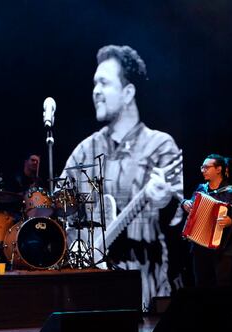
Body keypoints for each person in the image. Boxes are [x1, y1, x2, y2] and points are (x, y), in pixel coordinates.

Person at [60, 45, 184, 311]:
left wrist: (165, 200)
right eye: (94, 84)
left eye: (104, 83)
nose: (95, 91)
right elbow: (60, 206)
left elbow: (178, 217)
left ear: (128, 93)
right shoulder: (84, 151)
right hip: (90, 290)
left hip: (146, 291)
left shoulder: (160, 146)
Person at [182, 154, 232, 287]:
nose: (202, 170)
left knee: (222, 286)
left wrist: (231, 221)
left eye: (206, 167)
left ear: (218, 169)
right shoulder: (201, 189)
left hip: (223, 248)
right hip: (199, 247)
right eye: (202, 167)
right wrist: (185, 203)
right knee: (201, 285)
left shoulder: (231, 192)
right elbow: (191, 206)